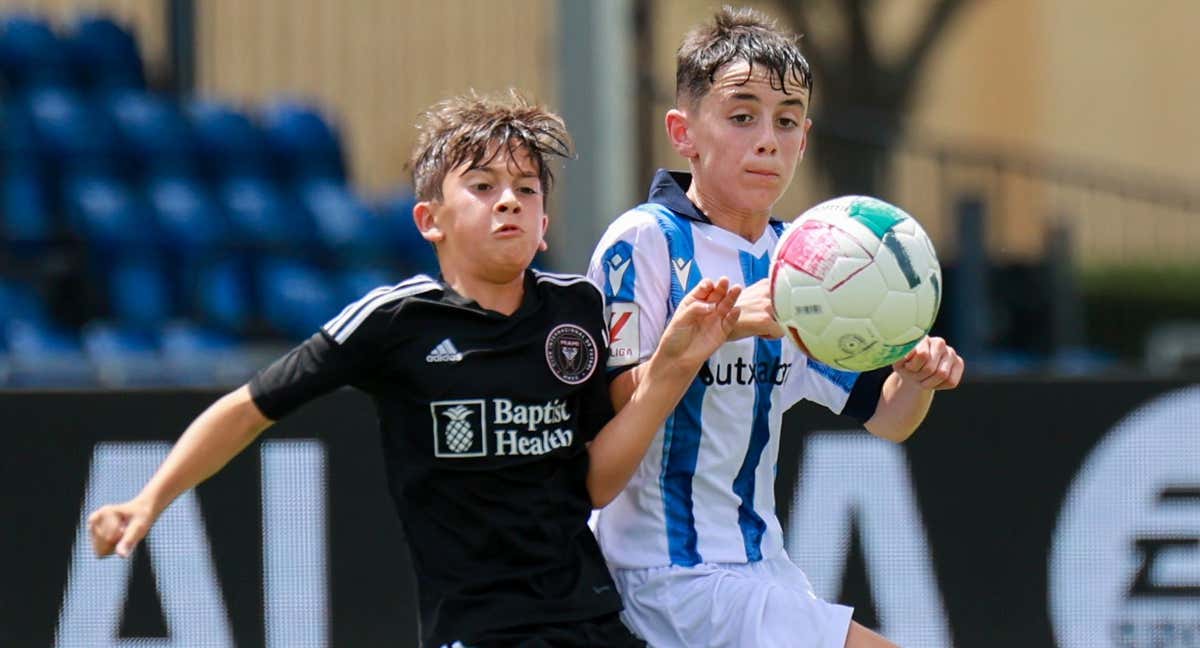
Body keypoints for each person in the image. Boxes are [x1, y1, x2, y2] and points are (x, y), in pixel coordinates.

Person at [86, 91, 743, 648]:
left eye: (525, 189)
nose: (507, 202)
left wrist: (669, 374)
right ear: (430, 219)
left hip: (592, 620)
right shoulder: (395, 322)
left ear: (545, 224)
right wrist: (150, 499)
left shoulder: (578, 308)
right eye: (483, 187)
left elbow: (596, 485)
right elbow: (249, 407)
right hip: (479, 630)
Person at [587, 7, 965, 648]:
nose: (768, 138)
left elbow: (888, 420)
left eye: (786, 120)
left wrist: (916, 376)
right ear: (684, 132)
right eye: (742, 116)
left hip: (765, 571)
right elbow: (606, 407)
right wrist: (716, 331)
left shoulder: (809, 262)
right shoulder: (643, 243)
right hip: (663, 575)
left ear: (805, 139)